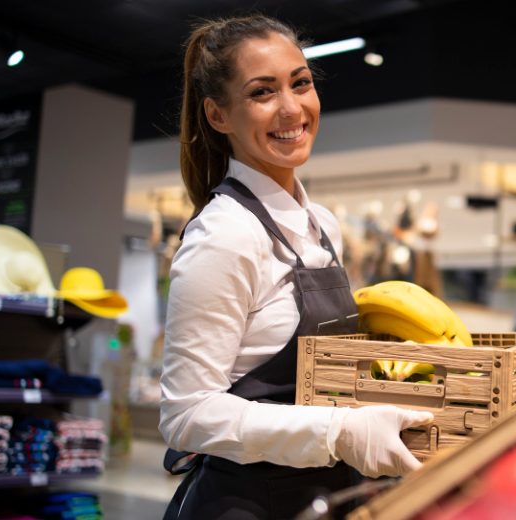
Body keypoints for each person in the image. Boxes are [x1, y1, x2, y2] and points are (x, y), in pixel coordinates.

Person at [158, 15, 433, 519]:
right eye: (263, 92)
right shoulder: (225, 235)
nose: (292, 108)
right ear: (218, 116)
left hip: (323, 496)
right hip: (245, 503)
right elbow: (186, 414)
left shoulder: (323, 225)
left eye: (300, 83)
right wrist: (339, 432)